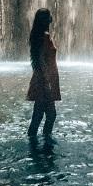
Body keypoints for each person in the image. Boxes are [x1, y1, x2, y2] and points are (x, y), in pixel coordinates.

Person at [26, 8, 60, 138]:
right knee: (50, 115)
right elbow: (41, 60)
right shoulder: (44, 37)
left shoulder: (38, 36)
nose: (51, 18)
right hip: (44, 81)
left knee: (39, 114)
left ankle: (36, 143)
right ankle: (45, 145)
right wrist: (47, 83)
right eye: (49, 16)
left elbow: (39, 59)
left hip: (41, 79)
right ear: (45, 20)